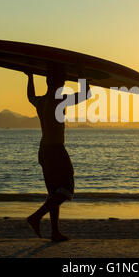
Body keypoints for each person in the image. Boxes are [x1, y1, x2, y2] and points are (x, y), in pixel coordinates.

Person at [25, 71, 91, 242]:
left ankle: (54, 232)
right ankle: (36, 217)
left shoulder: (41, 101)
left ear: (47, 83)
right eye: (63, 81)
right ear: (60, 84)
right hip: (56, 150)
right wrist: (82, 74)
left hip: (44, 151)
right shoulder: (61, 101)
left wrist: (30, 76)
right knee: (67, 188)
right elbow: (86, 93)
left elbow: (30, 96)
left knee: (54, 192)